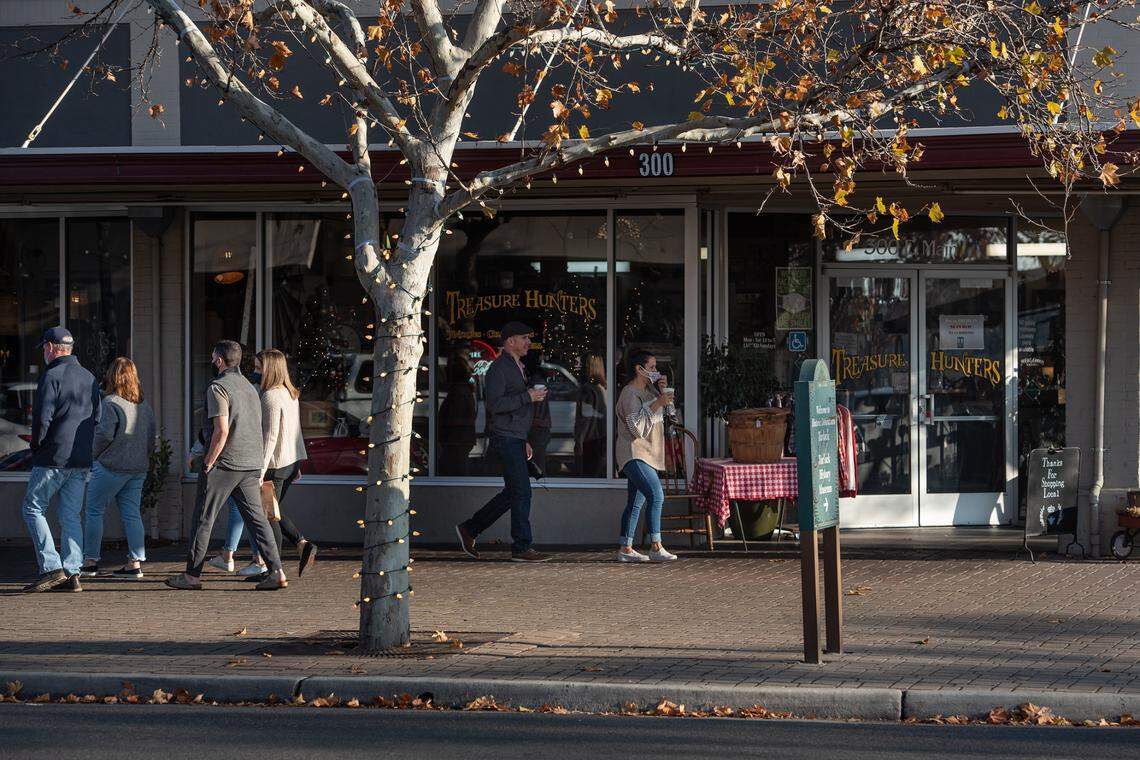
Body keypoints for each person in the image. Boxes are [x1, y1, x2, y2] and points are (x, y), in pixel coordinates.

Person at [165, 340, 287, 591]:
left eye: (213, 357)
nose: (211, 361)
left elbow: (221, 430)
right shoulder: (250, 387)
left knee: (203, 518)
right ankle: (277, 572)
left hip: (225, 464)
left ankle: (191, 576)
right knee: (258, 520)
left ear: (220, 360)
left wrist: (209, 461)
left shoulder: (218, 387)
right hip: (251, 464)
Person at [455, 322, 550, 562]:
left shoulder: (518, 366)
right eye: (524, 338)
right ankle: (521, 547)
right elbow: (495, 405)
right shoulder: (499, 368)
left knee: (513, 493)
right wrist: (527, 396)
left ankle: (470, 529)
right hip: (505, 437)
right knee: (523, 492)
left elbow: (512, 406)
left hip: (515, 437)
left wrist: (524, 438)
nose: (528, 342)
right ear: (510, 341)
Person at [20, 326, 101, 593]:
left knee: (32, 508)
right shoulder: (89, 377)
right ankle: (73, 571)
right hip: (80, 459)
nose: (44, 351)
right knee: (70, 516)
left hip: (53, 456)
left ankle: (51, 568)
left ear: (52, 348)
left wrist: (35, 446)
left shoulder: (52, 375)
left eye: (44, 347)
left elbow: (42, 418)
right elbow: (97, 418)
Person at [81, 358, 156, 579]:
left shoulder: (111, 403)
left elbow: (103, 436)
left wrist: (93, 457)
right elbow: (151, 439)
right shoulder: (145, 406)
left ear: (112, 376)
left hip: (111, 466)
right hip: (137, 468)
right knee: (132, 514)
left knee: (94, 511)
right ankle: (135, 563)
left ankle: (90, 561)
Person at [255, 348, 316, 578]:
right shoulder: (291, 393)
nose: (255, 372)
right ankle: (301, 544)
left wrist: (260, 472)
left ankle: (274, 569)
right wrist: (298, 464)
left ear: (269, 369)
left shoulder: (271, 396)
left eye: (258, 367)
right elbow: (294, 431)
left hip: (274, 465)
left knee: (269, 516)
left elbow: (270, 437)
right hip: (289, 462)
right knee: (274, 512)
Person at [614, 350, 679, 563]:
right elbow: (637, 429)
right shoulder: (629, 393)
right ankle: (656, 545)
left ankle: (626, 547)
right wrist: (658, 403)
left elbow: (672, 417)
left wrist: (664, 396)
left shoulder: (651, 390)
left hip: (649, 453)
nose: (655, 371)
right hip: (634, 452)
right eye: (651, 367)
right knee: (656, 495)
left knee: (635, 501)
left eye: (655, 367)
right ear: (638, 369)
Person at [437, 350, 477, 475]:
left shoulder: (459, 392)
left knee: (454, 471)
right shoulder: (464, 390)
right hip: (459, 439)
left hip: (456, 440)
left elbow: (455, 418)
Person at [574, 355, 607, 477]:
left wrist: (579, 440)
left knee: (587, 475)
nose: (578, 366)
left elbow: (586, 416)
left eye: (582, 364)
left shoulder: (588, 389)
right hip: (602, 436)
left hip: (590, 438)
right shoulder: (605, 386)